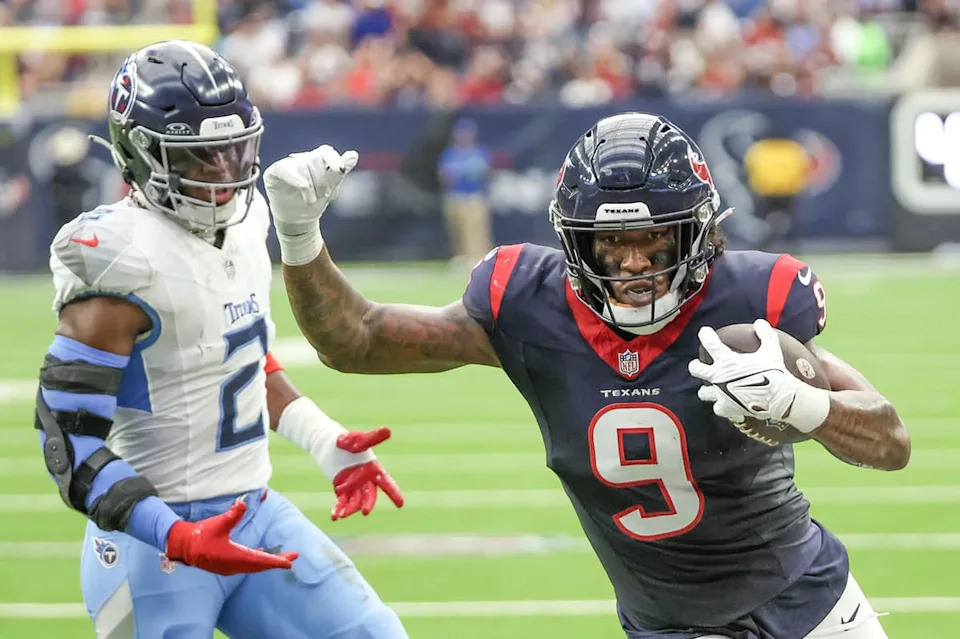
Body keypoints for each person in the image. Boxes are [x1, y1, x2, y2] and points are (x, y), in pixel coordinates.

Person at [264, 112, 911, 639]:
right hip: (666, 626)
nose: (633, 263)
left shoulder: (753, 298)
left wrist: (808, 405)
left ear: (698, 232)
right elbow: (359, 340)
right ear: (575, 243)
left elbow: (893, 441)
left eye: (654, 238)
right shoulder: (530, 307)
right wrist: (299, 235)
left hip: (812, 608)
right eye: (610, 243)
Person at [36, 40, 408, 639]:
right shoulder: (119, 260)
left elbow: (237, 359)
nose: (226, 172)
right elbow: (68, 443)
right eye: (201, 157)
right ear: (141, 153)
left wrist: (325, 441)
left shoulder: (249, 221)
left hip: (252, 511)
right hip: (150, 544)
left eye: (234, 150)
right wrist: (175, 534)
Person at [437, 116, 494, 266]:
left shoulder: (479, 152)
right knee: (456, 228)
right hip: (455, 195)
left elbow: (484, 172)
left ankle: (480, 256)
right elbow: (443, 175)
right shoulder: (450, 153)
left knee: (476, 229)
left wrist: (464, 172)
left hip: (474, 195)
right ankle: (461, 255)